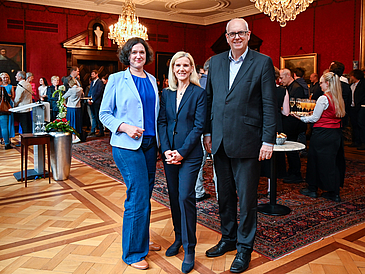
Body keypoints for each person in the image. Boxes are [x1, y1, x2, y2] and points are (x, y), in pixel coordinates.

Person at [203, 18, 277, 273]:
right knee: (224, 197)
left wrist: (268, 140)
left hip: (249, 142)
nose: (236, 37)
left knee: (246, 201)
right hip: (220, 141)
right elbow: (210, 99)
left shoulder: (262, 62)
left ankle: (245, 248)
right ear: (226, 37)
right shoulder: (216, 62)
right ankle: (228, 239)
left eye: (241, 33)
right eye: (232, 33)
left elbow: (269, 104)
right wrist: (208, 132)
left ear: (248, 35)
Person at [99, 37, 160, 270]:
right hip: (126, 145)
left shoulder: (153, 80)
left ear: (147, 56)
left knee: (146, 194)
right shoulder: (116, 79)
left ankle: (141, 240)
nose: (138, 56)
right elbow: (104, 114)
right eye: (134, 52)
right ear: (127, 55)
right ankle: (133, 253)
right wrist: (125, 126)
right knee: (137, 194)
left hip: (150, 144)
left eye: (142, 53)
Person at [158, 51, 207, 273]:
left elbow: (199, 126)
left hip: (190, 154)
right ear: (173, 68)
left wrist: (181, 152)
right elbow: (162, 122)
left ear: (192, 68)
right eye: (178, 65)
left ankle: (189, 248)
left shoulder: (199, 93)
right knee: (174, 197)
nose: (182, 69)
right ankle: (178, 238)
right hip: (169, 154)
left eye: (186, 65)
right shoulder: (166, 94)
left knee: (186, 196)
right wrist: (167, 150)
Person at [295, 72, 346, 202]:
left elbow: (314, 118)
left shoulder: (324, 98)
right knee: (332, 162)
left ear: (327, 83)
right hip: (335, 134)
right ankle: (334, 192)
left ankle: (312, 189)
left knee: (315, 161)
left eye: (322, 82)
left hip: (322, 134)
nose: (320, 85)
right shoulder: (338, 97)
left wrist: (301, 118)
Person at [279, 68, 306, 183]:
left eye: (281, 78)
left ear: (288, 75)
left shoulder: (297, 88)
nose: (280, 81)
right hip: (289, 122)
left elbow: (295, 108)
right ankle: (291, 171)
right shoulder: (290, 87)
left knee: (292, 149)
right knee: (289, 150)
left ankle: (296, 173)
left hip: (293, 123)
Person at [195, 56, 216, 201]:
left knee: (198, 162)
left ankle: (197, 192)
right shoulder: (215, 82)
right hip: (214, 128)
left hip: (197, 129)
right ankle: (223, 195)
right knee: (219, 164)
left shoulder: (194, 84)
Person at [63, 77, 83, 142]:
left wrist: (64, 104)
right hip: (78, 107)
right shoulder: (80, 89)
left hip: (71, 108)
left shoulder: (71, 90)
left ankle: (74, 137)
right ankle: (77, 135)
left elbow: (63, 97)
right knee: (77, 122)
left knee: (71, 122)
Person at [348, 69, 365, 149]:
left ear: (355, 76)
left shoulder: (363, 84)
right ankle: (356, 141)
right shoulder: (351, 85)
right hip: (353, 108)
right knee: (354, 124)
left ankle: (363, 142)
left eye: (351, 76)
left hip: (361, 107)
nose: (350, 77)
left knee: (361, 124)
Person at [88, 70, 104, 137]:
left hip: (97, 102)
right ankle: (93, 130)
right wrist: (88, 99)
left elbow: (99, 93)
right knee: (93, 116)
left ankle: (101, 130)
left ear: (97, 74)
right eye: (91, 74)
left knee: (98, 116)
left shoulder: (100, 82)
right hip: (91, 101)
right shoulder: (92, 82)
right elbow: (90, 91)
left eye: (93, 74)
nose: (92, 75)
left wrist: (93, 100)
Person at [0, 72, 15, 140]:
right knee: (4, 125)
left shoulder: (10, 86)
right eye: (4, 77)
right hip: (2, 106)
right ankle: (5, 140)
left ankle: (8, 138)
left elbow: (12, 96)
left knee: (8, 123)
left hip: (7, 105)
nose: (5, 79)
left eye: (7, 77)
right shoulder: (1, 88)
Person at [0, 78, 12, 149]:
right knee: (4, 127)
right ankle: (7, 143)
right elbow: (7, 99)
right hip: (2, 110)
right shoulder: (2, 89)